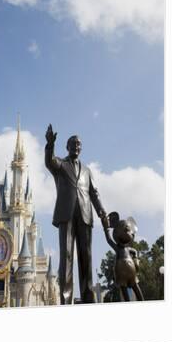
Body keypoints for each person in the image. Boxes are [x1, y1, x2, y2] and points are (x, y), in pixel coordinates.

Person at [45, 124, 108, 304]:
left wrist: (101, 211)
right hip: (66, 215)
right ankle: (66, 300)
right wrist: (49, 145)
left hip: (85, 215)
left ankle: (88, 298)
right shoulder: (60, 164)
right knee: (66, 258)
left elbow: (94, 193)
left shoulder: (87, 171)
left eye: (79, 144)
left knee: (86, 257)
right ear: (67, 147)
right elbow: (49, 161)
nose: (76, 147)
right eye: (73, 144)